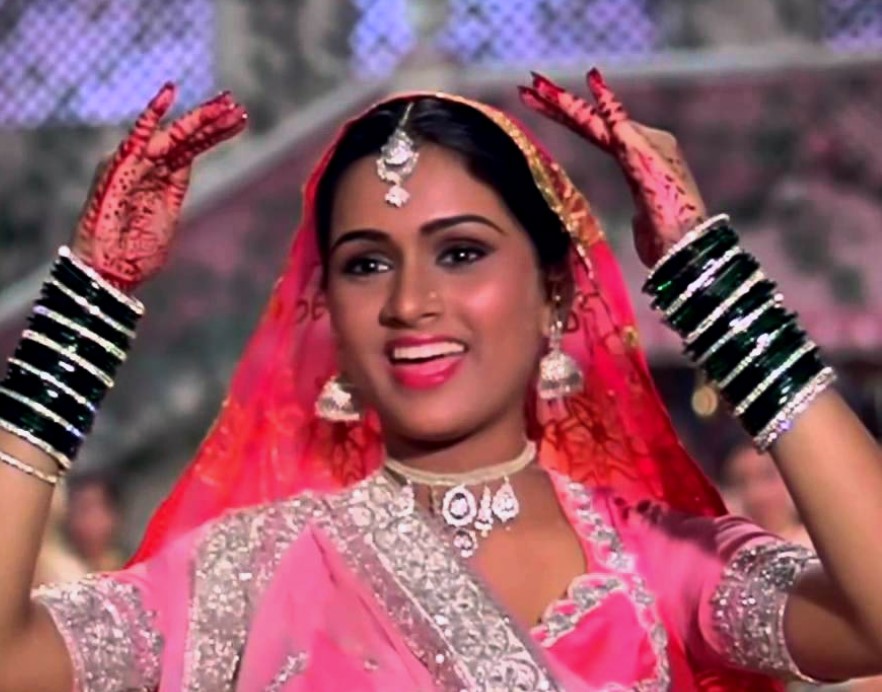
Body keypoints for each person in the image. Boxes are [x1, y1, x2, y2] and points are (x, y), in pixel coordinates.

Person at [1, 69, 882, 691]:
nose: (411, 303)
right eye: (366, 264)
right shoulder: (241, 578)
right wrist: (87, 300)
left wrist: (708, 277)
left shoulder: (651, 567)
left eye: (461, 253)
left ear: (554, 292)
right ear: (328, 312)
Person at [65, 472, 125, 572]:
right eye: (75, 510)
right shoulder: (59, 569)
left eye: (87, 509)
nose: (81, 522)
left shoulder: (130, 571)